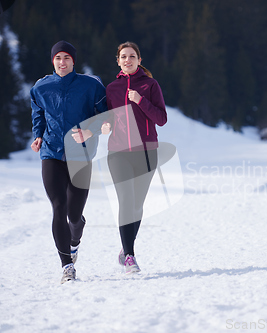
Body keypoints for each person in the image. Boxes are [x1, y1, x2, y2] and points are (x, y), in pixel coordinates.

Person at [30, 40, 107, 283]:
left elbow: (106, 118)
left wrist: (90, 131)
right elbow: (38, 114)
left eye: (66, 58)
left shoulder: (90, 86)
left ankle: (75, 241)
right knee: (58, 206)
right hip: (51, 153)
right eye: (57, 58)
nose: (62, 62)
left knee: (74, 216)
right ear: (52, 61)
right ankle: (66, 266)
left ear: (74, 61)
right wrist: (38, 136)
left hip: (80, 154)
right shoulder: (41, 87)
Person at [102, 41, 167, 274]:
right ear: (117, 61)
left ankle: (125, 247)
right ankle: (129, 255)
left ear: (139, 60)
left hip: (147, 153)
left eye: (132, 56)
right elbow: (106, 117)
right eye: (123, 56)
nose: (127, 60)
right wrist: (106, 125)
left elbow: (161, 118)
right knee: (126, 200)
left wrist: (140, 100)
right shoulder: (111, 89)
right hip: (118, 154)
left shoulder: (150, 85)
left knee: (137, 205)